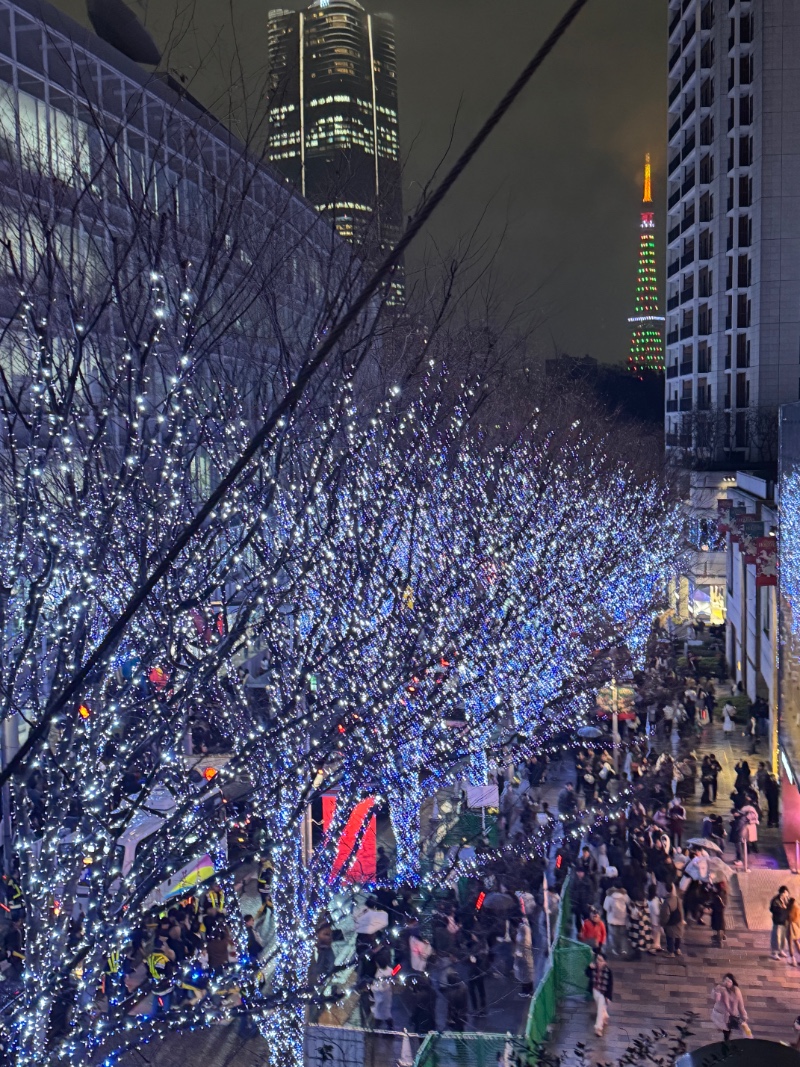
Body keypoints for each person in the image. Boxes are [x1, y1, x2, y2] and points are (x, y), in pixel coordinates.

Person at [710, 973, 747, 1042]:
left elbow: (741, 1004)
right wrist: (717, 991)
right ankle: (726, 1040)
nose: (727, 983)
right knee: (726, 1030)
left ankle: (727, 1039)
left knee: (731, 1029)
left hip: (731, 1014)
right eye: (726, 981)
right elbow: (716, 999)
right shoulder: (721, 989)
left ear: (732, 982)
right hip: (721, 1015)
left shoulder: (736, 990)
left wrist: (744, 1014)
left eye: (729, 981)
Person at [586, 950, 613, 1037]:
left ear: (605, 962)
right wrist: (589, 968)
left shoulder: (608, 971)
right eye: (598, 959)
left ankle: (598, 1028)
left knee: (599, 1010)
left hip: (603, 993)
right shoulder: (594, 968)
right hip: (595, 991)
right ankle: (605, 1016)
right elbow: (587, 974)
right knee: (601, 1008)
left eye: (601, 960)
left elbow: (610, 985)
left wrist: (608, 997)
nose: (598, 962)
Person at [603, 884, 630, 958]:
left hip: (612, 919)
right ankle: (623, 949)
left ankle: (615, 949)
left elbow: (606, 907)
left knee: (613, 936)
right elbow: (629, 904)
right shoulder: (625, 895)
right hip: (623, 919)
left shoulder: (609, 896)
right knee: (623, 935)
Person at [661, 882, 685, 957]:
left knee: (670, 936)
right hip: (678, 921)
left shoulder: (667, 901)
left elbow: (665, 914)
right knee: (678, 935)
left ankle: (670, 952)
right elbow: (681, 911)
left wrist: (663, 923)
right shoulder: (678, 899)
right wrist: (682, 920)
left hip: (671, 922)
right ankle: (677, 949)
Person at [513, 916, 534, 997]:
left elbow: (524, 942)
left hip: (524, 956)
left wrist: (519, 952)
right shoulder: (524, 928)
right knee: (525, 973)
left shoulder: (524, 929)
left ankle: (527, 991)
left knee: (525, 973)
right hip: (524, 955)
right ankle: (527, 990)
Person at [370, 963, 394, 1029]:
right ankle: (390, 1027)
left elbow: (379, 988)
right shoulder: (389, 970)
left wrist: (372, 987)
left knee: (380, 1014)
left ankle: (376, 1029)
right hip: (387, 997)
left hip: (381, 998)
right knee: (386, 1014)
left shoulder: (381, 975)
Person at [770, 886, 791, 959]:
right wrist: (782, 908)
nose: (787, 894)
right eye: (786, 892)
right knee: (776, 937)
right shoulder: (776, 900)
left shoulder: (786, 900)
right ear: (783, 892)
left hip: (784, 922)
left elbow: (789, 908)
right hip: (778, 921)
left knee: (783, 937)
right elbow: (772, 909)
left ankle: (781, 950)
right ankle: (774, 952)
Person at [647, 886, 662, 954]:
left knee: (652, 934)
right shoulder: (655, 900)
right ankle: (655, 946)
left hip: (650, 919)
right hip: (656, 920)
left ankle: (656, 946)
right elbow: (657, 912)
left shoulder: (648, 899)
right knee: (656, 934)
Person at [788, 897, 800, 966]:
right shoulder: (798, 908)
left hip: (790, 927)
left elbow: (788, 918)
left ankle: (793, 961)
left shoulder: (790, 909)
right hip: (796, 928)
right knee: (796, 942)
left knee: (790, 944)